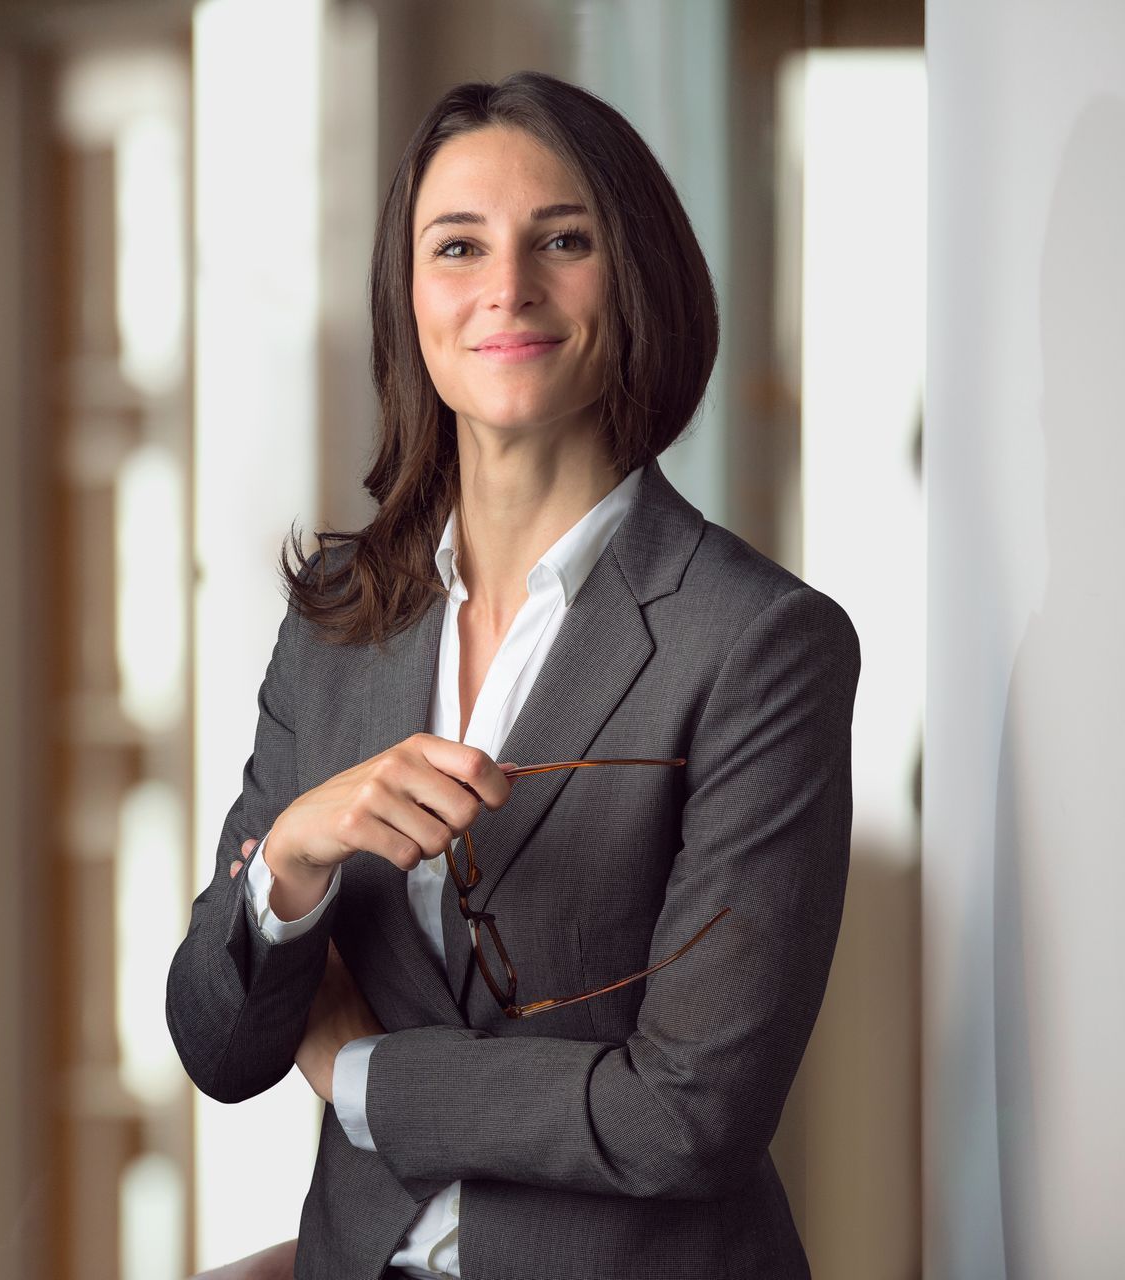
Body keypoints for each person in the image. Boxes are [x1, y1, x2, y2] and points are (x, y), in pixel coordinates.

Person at [167, 73, 859, 1279]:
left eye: (563, 240)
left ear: (635, 276)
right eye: (458, 245)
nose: (508, 288)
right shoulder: (338, 624)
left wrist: (359, 1070)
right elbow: (218, 1046)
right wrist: (289, 858)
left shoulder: (760, 645)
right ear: (409, 296)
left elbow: (686, 1113)